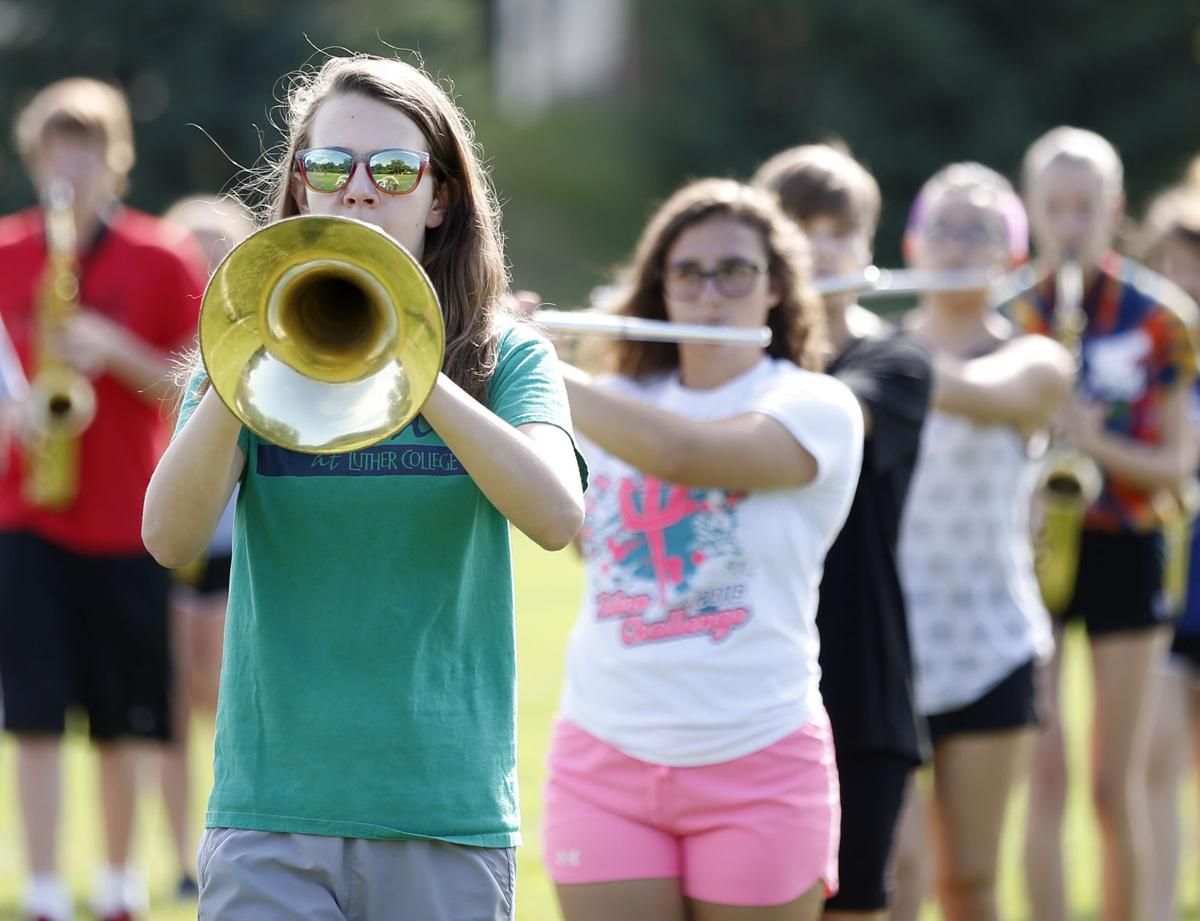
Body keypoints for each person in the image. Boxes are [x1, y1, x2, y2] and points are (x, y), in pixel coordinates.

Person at [141, 54, 586, 921]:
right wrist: (242, 364)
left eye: (392, 169)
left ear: (440, 197)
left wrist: (417, 365)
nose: (358, 190)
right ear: (300, 186)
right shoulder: (245, 354)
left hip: (442, 812)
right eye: (329, 166)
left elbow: (556, 514)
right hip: (271, 810)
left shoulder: (505, 356)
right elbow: (168, 537)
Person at [539, 177, 863, 921]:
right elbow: (592, 546)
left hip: (759, 757)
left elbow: (684, 456)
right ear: (662, 285)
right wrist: (524, 375)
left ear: (776, 286)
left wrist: (541, 369)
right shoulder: (612, 402)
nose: (710, 293)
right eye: (688, 273)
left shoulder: (818, 404)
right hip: (603, 753)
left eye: (735, 271)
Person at [0, 78, 207, 921]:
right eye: (57, 148)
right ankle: (45, 887)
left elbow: (199, 388)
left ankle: (120, 881)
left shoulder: (164, 255)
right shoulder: (6, 251)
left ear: (116, 159)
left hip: (129, 516)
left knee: (126, 714)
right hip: (26, 513)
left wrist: (117, 349)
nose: (71, 166)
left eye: (87, 149)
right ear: (34, 157)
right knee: (35, 713)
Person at [1006, 127, 1198, 921]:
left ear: (1114, 210)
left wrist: (1091, 441)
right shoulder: (1009, 314)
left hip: (1129, 543)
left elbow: (1178, 466)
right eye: (1054, 207)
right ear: (1032, 210)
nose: (1070, 224)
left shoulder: (1164, 318)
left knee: (1114, 784)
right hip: (1031, 552)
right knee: (1043, 777)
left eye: (1086, 207)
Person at [752, 143, 932, 921]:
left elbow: (818, 424)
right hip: (743, 676)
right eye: (799, 229)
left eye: (840, 231)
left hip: (858, 679)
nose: (820, 249)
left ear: (867, 247)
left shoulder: (896, 363)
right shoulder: (721, 364)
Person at [891, 162, 1071, 921]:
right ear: (912, 246)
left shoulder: (1035, 359)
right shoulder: (874, 354)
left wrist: (858, 353)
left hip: (991, 645)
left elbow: (983, 395)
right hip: (887, 649)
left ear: (1011, 255)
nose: (959, 244)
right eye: (944, 228)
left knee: (970, 879)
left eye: (981, 231)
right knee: (894, 874)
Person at [155, 193, 256, 900]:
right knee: (166, 703)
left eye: (218, 252)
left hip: (232, 546)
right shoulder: (161, 331)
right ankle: (180, 858)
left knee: (220, 697)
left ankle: (224, 841)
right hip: (171, 538)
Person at [1136, 179, 1200, 921]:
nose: (1182, 282)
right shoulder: (1152, 358)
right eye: (1171, 264)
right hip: (1173, 588)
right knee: (1155, 757)